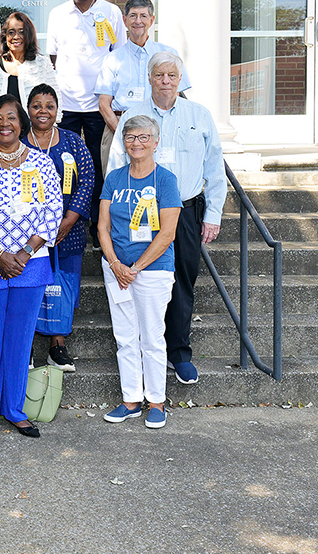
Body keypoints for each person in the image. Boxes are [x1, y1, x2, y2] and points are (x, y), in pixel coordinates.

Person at [109, 51, 227, 385]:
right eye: (159, 75)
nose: (165, 81)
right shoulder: (134, 115)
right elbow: (117, 163)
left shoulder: (198, 115)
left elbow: (214, 167)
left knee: (182, 280)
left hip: (186, 211)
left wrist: (213, 214)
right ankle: (144, 350)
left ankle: (178, 353)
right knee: (141, 277)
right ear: (149, 78)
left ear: (180, 80)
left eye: (171, 76)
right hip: (141, 209)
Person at [0, 95, 63, 440]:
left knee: (19, 343)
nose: (6, 123)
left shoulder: (42, 164)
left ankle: (15, 410)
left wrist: (25, 253)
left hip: (30, 264)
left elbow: (52, 210)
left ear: (23, 123)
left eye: (13, 117)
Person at [98, 114, 182, 430]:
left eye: (144, 137)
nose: (137, 143)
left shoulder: (165, 180)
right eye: (131, 137)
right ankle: (131, 399)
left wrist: (135, 267)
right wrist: (116, 265)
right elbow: (103, 226)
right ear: (124, 142)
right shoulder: (115, 178)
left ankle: (157, 401)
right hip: (116, 270)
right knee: (125, 336)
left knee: (151, 336)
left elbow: (167, 233)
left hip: (153, 271)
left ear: (156, 142)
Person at [47, 0, 126, 243]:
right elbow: (53, 57)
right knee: (64, 165)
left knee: (97, 166)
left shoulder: (111, 12)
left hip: (98, 106)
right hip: (66, 105)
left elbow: (119, 54)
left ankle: (97, 223)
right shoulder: (58, 14)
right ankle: (62, 219)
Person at [24, 84, 94, 372]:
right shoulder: (18, 143)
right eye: (37, 105)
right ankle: (25, 344)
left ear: (58, 111)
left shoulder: (73, 141)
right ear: (28, 109)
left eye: (49, 106)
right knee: (27, 287)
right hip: (25, 234)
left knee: (64, 285)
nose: (43, 111)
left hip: (69, 230)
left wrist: (69, 220)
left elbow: (87, 180)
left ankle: (58, 345)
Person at [95, 0, 191, 177]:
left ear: (152, 20)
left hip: (159, 133)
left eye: (143, 16)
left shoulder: (168, 54)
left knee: (161, 185)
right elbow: (103, 104)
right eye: (132, 16)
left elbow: (174, 98)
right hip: (118, 131)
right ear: (124, 20)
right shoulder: (112, 59)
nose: (138, 21)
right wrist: (127, 135)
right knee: (118, 187)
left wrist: (152, 137)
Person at [0, 12, 57, 147]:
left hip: (33, 140)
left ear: (29, 35)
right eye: (11, 32)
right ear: (5, 36)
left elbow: (54, 99)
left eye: (21, 32)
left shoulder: (43, 64)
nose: (16, 37)